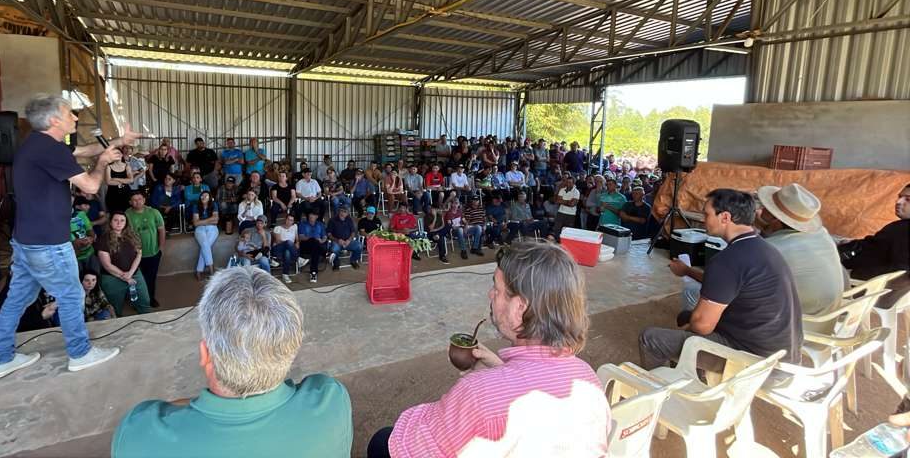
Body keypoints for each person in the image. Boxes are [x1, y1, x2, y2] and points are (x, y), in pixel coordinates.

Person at [369, 241, 609, 458]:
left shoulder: (478, 393)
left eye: (497, 288)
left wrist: (488, 385)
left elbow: (409, 446)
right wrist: (504, 371)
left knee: (381, 441)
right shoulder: (588, 379)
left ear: (520, 309)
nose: (490, 294)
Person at [112, 267, 353, 457]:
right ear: (294, 346)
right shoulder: (331, 400)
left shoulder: (139, 433)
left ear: (205, 355)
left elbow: (167, 410)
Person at [0, 95, 127, 380]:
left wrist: (118, 140)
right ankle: (80, 353)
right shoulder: (51, 150)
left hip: (26, 241)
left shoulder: (39, 145)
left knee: (17, 299)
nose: (75, 118)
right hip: (49, 243)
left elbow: (83, 150)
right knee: (72, 294)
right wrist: (102, 163)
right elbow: (89, 185)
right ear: (54, 120)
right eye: (69, 114)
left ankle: (1, 358)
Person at [639, 189, 803, 369]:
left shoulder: (727, 260)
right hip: (783, 354)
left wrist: (691, 327)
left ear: (725, 217)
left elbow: (702, 326)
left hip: (755, 362)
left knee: (651, 338)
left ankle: (659, 387)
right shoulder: (765, 248)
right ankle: (693, 371)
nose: (703, 219)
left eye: (706, 214)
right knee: (684, 317)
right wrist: (687, 271)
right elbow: (727, 283)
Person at [755, 183, 844, 326]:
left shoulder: (772, 250)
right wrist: (766, 227)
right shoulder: (821, 234)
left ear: (775, 219)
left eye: (766, 207)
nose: (760, 209)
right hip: (826, 320)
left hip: (800, 326)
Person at [839, 183, 910, 281]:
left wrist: (853, 274)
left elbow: (901, 269)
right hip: (851, 251)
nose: (898, 202)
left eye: (908, 199)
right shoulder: (900, 226)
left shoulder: (904, 231)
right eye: (900, 197)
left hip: (843, 267)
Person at [97, 212, 153, 317]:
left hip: (134, 273)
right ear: (110, 222)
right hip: (112, 277)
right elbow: (107, 265)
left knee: (144, 301)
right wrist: (126, 278)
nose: (119, 223)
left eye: (122, 220)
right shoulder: (103, 239)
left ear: (126, 223)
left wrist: (131, 273)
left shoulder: (133, 236)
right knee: (114, 308)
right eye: (115, 220)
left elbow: (139, 255)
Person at [193, 192, 220, 280]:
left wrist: (202, 221)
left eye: (206, 195)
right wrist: (209, 220)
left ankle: (199, 270)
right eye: (202, 195)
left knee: (205, 246)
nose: (203, 197)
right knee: (205, 244)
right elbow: (195, 223)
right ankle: (212, 270)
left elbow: (216, 221)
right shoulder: (196, 206)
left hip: (212, 228)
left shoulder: (214, 205)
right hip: (200, 229)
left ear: (210, 197)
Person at [71, 196, 99, 275]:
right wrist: (76, 243)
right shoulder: (57, 218)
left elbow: (89, 229)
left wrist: (91, 237)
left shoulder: (81, 214)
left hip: (89, 253)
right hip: (73, 257)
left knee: (95, 278)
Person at [298, 212, 328, 283]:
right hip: (305, 245)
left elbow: (325, 236)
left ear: (317, 216)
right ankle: (326, 254)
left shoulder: (320, 224)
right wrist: (312, 238)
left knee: (316, 249)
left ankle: (313, 273)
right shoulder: (303, 224)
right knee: (313, 241)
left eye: (313, 215)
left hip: (317, 246)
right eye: (310, 214)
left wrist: (321, 241)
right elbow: (301, 237)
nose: (311, 216)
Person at [272, 214, 302, 284]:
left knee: (287, 252)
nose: (289, 221)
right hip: (278, 249)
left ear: (293, 222)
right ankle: (298, 259)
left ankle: (285, 274)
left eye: (291, 220)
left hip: (290, 250)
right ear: (285, 219)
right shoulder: (278, 228)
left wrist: (297, 243)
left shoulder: (294, 227)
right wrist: (288, 243)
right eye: (288, 219)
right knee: (288, 243)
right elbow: (278, 241)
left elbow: (297, 239)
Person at [105, 149, 135, 213]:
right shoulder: (108, 166)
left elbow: (131, 180)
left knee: (127, 213)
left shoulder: (127, 166)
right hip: (112, 194)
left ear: (121, 155)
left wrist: (115, 179)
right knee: (113, 214)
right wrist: (124, 181)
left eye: (118, 153)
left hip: (125, 193)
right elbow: (108, 181)